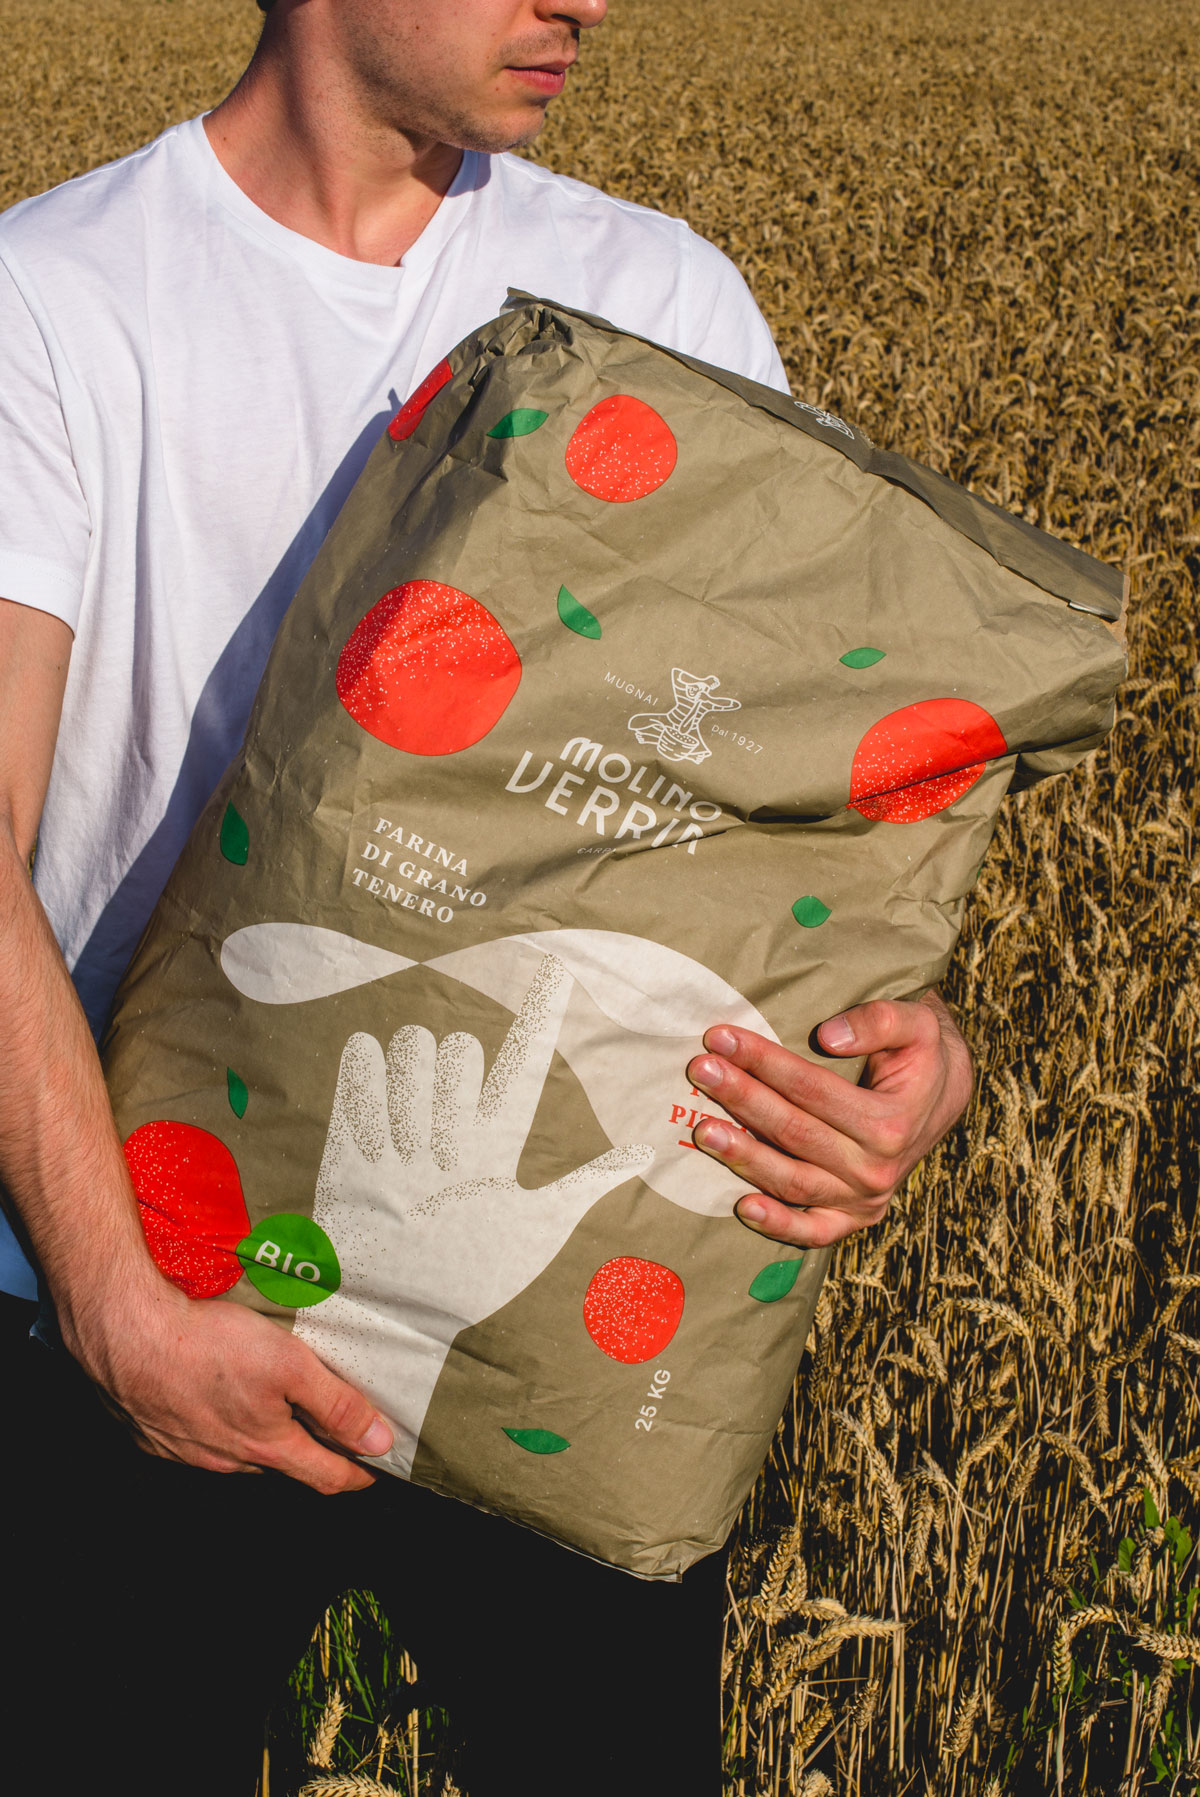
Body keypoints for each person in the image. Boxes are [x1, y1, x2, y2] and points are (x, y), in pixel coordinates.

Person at [0, 2, 972, 1791]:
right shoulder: (52, 304)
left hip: (555, 1312)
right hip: (152, 1288)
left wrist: (903, 1051)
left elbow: (773, 803)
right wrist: (116, 1308)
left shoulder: (661, 298)